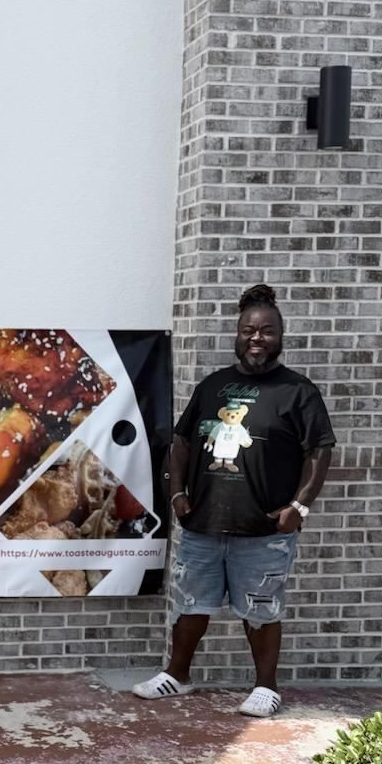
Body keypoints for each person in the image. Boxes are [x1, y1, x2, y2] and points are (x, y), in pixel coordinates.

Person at [133, 283, 335, 716]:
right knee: (191, 605)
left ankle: (266, 687)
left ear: (280, 336)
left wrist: (297, 508)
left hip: (263, 528)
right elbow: (182, 441)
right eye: (248, 330)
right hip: (203, 522)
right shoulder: (214, 386)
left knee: (261, 611)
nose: (256, 339)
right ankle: (177, 675)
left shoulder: (298, 392)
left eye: (266, 331)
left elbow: (319, 450)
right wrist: (178, 493)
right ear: (237, 334)